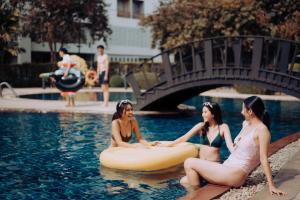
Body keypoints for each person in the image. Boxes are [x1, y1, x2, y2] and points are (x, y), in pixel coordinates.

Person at [180, 96, 286, 196]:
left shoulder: (262, 131)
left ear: (250, 111)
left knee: (189, 162)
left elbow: (263, 158)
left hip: (236, 173)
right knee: (184, 181)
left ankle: (198, 196)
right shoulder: (246, 124)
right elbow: (240, 147)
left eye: (243, 109)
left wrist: (271, 185)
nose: (241, 112)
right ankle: (198, 192)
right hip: (227, 167)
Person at [164, 102, 234, 163]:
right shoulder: (201, 126)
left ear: (213, 114)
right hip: (201, 163)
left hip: (215, 163)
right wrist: (167, 145)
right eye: (202, 112)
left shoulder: (223, 127)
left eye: (205, 112)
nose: (202, 115)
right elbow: (184, 137)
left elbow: (229, 146)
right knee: (183, 178)